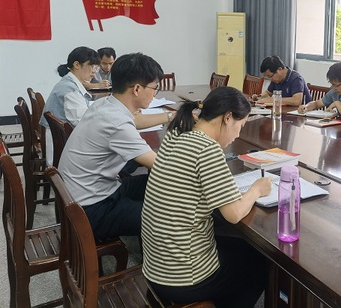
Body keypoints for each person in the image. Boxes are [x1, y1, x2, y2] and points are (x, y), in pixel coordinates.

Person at [142, 87, 272, 307]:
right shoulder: (207, 148)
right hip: (183, 277)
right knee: (260, 263)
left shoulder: (177, 133)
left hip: (157, 264)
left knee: (240, 247)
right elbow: (233, 214)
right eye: (240, 126)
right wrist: (256, 190)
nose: (238, 134)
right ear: (228, 118)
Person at [58, 52, 167, 241]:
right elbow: (162, 167)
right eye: (154, 88)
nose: (154, 93)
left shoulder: (105, 104)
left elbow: (134, 122)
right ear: (137, 89)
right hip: (91, 210)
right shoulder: (116, 122)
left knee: (153, 183)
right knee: (169, 216)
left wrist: (171, 117)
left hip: (86, 194)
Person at [40, 46, 100, 165]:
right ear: (77, 65)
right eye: (92, 66)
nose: (94, 71)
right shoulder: (70, 90)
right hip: (63, 150)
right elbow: (83, 123)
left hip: (60, 142)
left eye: (96, 68)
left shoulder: (68, 82)